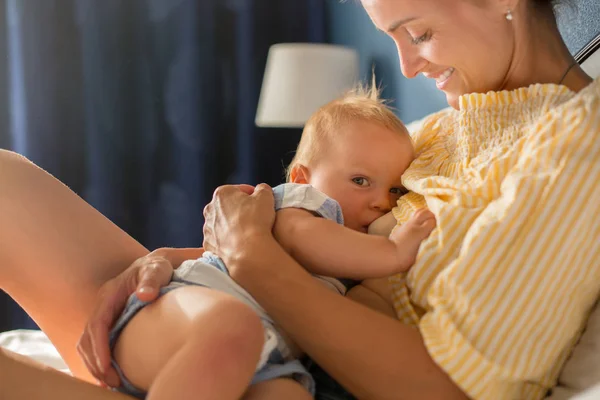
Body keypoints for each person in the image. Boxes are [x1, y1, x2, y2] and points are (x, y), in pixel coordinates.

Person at [0, 0, 598, 399]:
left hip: (277, 372)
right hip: (223, 333)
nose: (408, 68)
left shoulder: (579, 140)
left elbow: (449, 388)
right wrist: (168, 259)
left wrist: (253, 260)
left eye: (419, 33)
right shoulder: (438, 129)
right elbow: (291, 222)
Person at [106, 84, 436, 399]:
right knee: (230, 331)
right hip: (183, 316)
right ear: (302, 178)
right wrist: (392, 251)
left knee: (289, 394)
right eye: (360, 180)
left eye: (396, 190)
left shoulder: (352, 268)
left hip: (267, 361)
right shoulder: (301, 207)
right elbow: (307, 241)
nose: (382, 201)